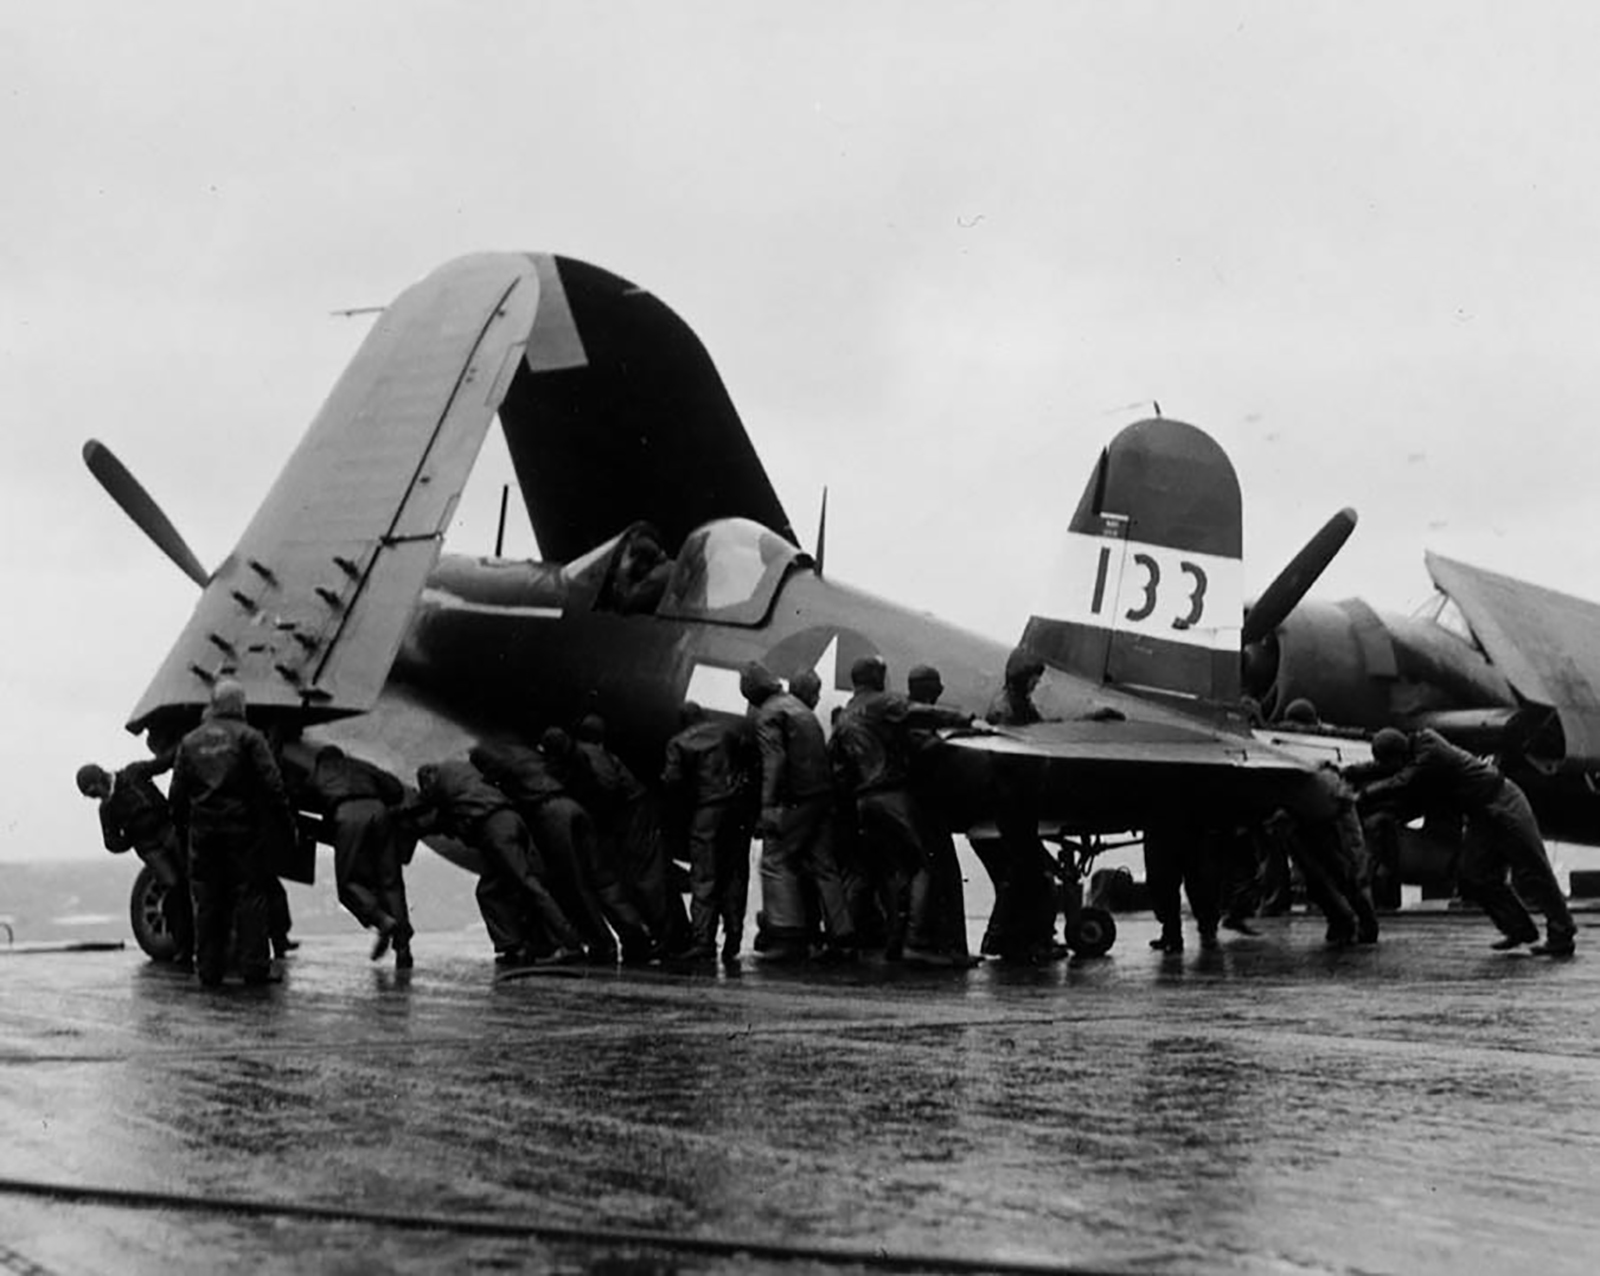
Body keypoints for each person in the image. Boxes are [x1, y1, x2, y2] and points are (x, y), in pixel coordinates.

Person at [1361, 727, 1576, 955]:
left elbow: (1402, 781)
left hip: (1503, 801)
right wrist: (1347, 773)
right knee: (1473, 876)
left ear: (1399, 753)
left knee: (1532, 867)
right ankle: (1519, 928)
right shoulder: (1415, 757)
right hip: (1481, 813)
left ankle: (1562, 934)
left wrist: (1364, 795)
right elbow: (1383, 771)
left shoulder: (1429, 751)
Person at [832, 655, 974, 965]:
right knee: (925, 864)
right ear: (876, 677)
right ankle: (917, 942)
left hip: (862, 801)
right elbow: (917, 712)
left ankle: (892, 941)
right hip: (890, 795)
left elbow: (839, 768)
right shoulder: (882, 703)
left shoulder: (845, 715)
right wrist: (963, 720)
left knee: (891, 872)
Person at [471, 734, 655, 964]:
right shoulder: (527, 755)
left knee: (574, 885)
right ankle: (637, 936)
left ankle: (601, 943)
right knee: (602, 879)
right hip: (574, 809)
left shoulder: (495, 766)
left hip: (552, 818)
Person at [167, 680, 296, 988]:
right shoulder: (250, 737)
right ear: (240, 704)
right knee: (250, 896)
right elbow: (273, 785)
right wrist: (286, 824)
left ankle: (208, 970)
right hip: (242, 832)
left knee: (208, 901)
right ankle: (255, 969)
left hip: (203, 835)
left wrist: (184, 832)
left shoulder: (190, 742)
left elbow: (177, 795)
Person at [407, 758, 586, 966]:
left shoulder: (440, 783)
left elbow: (426, 807)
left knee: (529, 886)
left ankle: (570, 943)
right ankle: (514, 945)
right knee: (490, 890)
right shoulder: (467, 776)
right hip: (513, 821)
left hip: (495, 832)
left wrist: (403, 810)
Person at [741, 661, 856, 961]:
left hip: (797, 798)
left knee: (775, 859)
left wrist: (768, 806)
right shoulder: (800, 709)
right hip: (821, 797)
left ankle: (786, 935)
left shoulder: (769, 714)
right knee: (824, 866)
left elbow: (774, 761)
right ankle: (843, 936)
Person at [569, 714, 690, 954]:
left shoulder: (588, 754)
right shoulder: (598, 753)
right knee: (649, 874)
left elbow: (610, 785)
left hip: (632, 816)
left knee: (646, 876)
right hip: (635, 812)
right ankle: (672, 933)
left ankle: (667, 936)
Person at [978, 647, 1061, 962]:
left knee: (1025, 873)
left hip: (1014, 803)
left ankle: (1012, 939)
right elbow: (1022, 749)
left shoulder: (1015, 704)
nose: (1036, 685)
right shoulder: (1008, 709)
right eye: (1034, 679)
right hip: (1014, 803)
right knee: (1028, 873)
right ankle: (1016, 940)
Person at [76, 754, 193, 965]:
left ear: (101, 778)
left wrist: (182, 751)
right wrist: (131, 838)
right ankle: (183, 945)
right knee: (173, 886)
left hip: (167, 829)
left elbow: (161, 764)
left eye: (93, 792)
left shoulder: (133, 774)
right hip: (149, 847)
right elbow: (111, 842)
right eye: (91, 796)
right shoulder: (106, 809)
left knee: (195, 873)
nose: (95, 797)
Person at [303, 746, 414, 967]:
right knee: (391, 883)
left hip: (347, 816)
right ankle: (403, 949)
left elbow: (304, 800)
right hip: (379, 813)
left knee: (349, 885)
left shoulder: (319, 772)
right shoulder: (361, 765)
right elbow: (395, 789)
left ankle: (382, 920)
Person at [661, 703, 750, 966]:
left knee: (704, 877)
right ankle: (734, 935)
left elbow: (672, 782)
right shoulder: (727, 732)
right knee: (734, 874)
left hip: (706, 812)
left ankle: (703, 941)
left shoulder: (678, 743)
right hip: (736, 810)